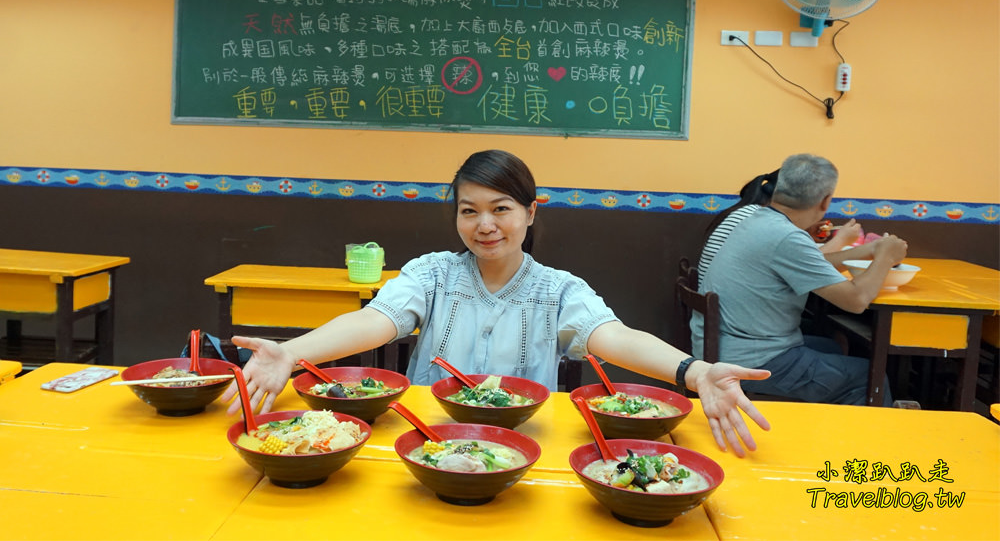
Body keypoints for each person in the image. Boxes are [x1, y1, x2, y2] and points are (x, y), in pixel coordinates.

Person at [222, 149, 772, 456]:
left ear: (531, 213)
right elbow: (374, 321)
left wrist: (693, 371)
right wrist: (294, 353)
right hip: (426, 442)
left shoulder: (558, 289)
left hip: (521, 448)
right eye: (468, 210)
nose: (484, 225)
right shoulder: (431, 273)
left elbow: (617, 339)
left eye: (501, 208)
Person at [692, 153, 908, 406]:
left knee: (833, 348)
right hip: (751, 361)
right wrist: (885, 257)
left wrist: (869, 250)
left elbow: (813, 266)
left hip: (721, 346)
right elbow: (857, 300)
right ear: (826, 201)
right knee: (869, 378)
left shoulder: (757, 219)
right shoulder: (787, 237)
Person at [697, 169, 864, 289]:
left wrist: (804, 233)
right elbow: (813, 264)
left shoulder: (751, 212)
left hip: (720, 306)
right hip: (733, 315)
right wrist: (841, 239)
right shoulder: (759, 219)